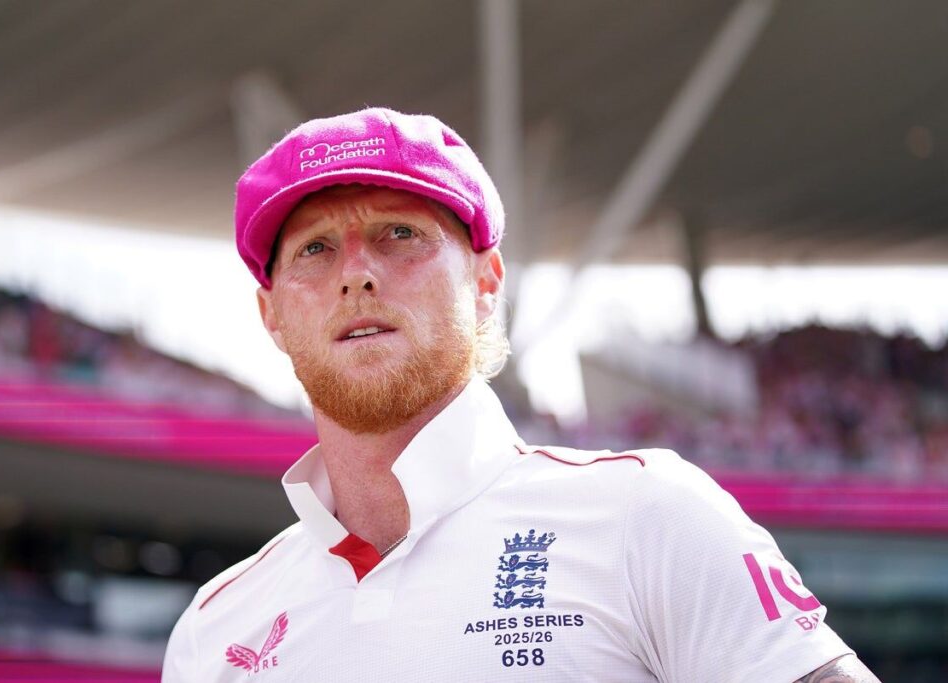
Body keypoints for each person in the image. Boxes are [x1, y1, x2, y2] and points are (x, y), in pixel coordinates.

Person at [162, 108, 878, 682]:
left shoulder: (647, 514)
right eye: (315, 248)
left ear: (485, 284)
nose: (356, 274)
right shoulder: (215, 630)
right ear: (272, 316)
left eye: (399, 232)